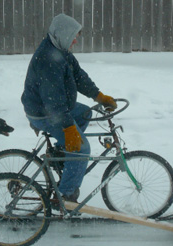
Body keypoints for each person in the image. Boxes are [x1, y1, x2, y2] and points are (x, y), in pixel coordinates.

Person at [21, 14, 117, 203]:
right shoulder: (48, 59)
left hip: (54, 108)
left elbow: (79, 76)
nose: (75, 40)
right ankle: (65, 195)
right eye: (73, 36)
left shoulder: (60, 50)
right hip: (43, 113)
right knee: (82, 149)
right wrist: (68, 127)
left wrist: (98, 95)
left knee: (85, 113)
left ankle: (61, 155)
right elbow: (53, 101)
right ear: (63, 34)